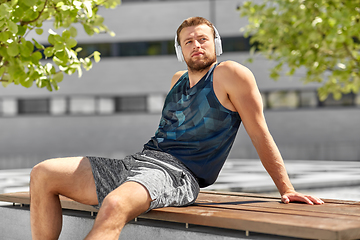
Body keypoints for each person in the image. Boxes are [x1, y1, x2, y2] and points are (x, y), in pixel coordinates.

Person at [29, 16, 324, 240]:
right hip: (139, 162)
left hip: (177, 175)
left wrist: (286, 188)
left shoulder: (229, 74)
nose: (197, 45)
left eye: (203, 39)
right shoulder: (177, 80)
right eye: (189, 41)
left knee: (116, 203)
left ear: (216, 44)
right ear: (180, 49)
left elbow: (259, 131)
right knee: (43, 173)